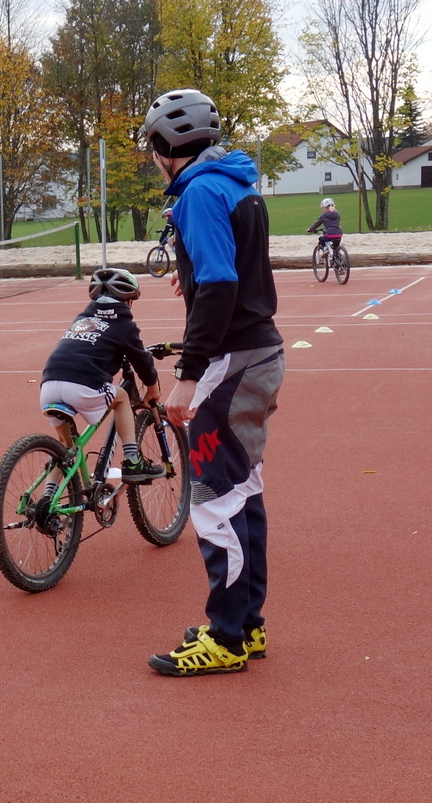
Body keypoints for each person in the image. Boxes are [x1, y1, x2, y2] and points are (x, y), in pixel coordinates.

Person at [141, 88, 284, 677]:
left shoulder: (199, 191)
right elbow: (229, 271)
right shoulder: (235, 184)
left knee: (216, 501)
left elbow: (223, 286)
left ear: (163, 146)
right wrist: (193, 277)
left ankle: (226, 639)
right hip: (260, 349)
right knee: (243, 491)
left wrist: (186, 374)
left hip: (230, 361)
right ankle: (245, 624)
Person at [37, 268, 165, 489]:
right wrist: (152, 389)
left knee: (66, 449)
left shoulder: (82, 319)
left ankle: (47, 500)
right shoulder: (124, 325)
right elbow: (142, 361)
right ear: (128, 301)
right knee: (122, 397)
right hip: (81, 385)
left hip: (49, 384)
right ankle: (133, 461)